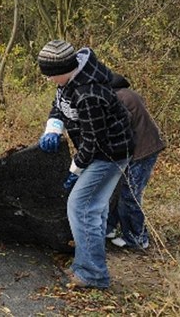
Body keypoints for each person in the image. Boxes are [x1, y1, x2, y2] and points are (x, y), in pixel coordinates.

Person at [37, 40, 134, 289]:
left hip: (109, 153)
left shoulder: (88, 93)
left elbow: (94, 141)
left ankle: (92, 274)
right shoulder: (69, 80)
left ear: (64, 69)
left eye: (50, 75)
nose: (49, 80)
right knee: (94, 208)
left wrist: (75, 170)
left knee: (81, 207)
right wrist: (53, 128)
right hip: (100, 151)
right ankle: (88, 266)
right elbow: (58, 105)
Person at [106, 74, 165, 249]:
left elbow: (119, 130)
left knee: (129, 195)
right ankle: (111, 227)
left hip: (142, 152)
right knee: (119, 190)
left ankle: (137, 239)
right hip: (145, 148)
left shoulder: (117, 99)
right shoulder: (128, 93)